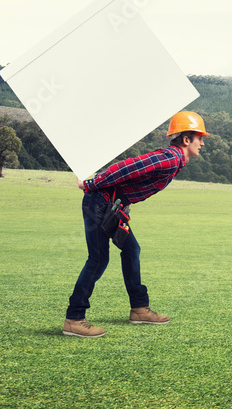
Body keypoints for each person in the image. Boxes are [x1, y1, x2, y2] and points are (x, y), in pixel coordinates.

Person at [62, 110, 209, 338]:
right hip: (99, 201)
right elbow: (127, 168)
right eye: (200, 138)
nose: (202, 143)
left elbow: (134, 181)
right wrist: (91, 184)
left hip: (112, 205)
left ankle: (139, 309)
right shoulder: (170, 158)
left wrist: (124, 205)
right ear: (187, 139)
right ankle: (74, 318)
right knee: (98, 259)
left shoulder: (176, 160)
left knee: (132, 249)